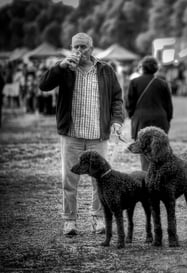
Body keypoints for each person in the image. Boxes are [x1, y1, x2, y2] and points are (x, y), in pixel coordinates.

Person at [39, 32, 124, 236]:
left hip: (98, 135)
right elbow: (44, 86)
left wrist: (116, 121)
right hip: (72, 134)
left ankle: (97, 219)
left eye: (83, 47)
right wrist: (59, 67)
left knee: (101, 180)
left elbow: (117, 98)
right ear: (71, 48)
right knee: (69, 179)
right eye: (75, 47)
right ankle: (70, 221)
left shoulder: (105, 70)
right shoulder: (64, 69)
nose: (79, 51)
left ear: (91, 48)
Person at [125, 55, 173, 171]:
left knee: (144, 150)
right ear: (156, 68)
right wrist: (168, 119)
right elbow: (168, 105)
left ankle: (147, 177)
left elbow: (129, 103)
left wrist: (133, 115)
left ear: (142, 67)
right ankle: (159, 177)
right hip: (160, 119)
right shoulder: (163, 83)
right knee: (160, 150)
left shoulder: (134, 82)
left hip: (141, 119)